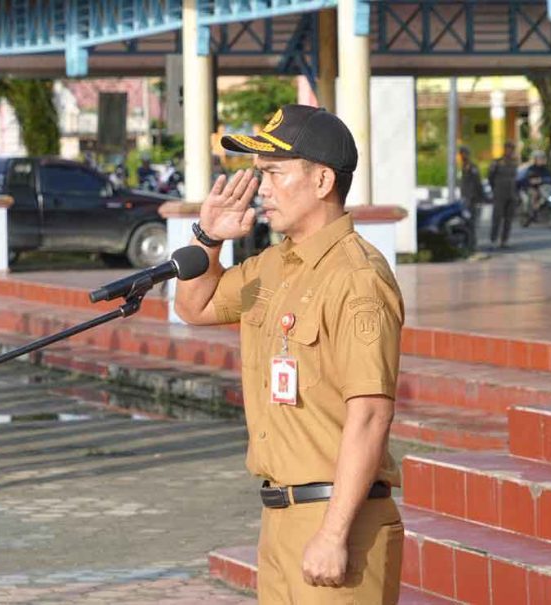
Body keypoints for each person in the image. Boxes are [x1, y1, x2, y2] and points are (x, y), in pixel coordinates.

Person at [175, 104, 404, 604]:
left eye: (275, 173)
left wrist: (333, 534)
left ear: (322, 181)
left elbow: (370, 413)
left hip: (338, 519)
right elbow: (195, 306)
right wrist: (208, 238)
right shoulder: (274, 266)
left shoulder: (357, 278)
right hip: (280, 517)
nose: (262, 189)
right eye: (260, 174)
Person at [487, 140, 519, 249]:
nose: (510, 151)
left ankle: (504, 240)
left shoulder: (514, 163)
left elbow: (515, 178)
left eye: (512, 149)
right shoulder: (497, 162)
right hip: (500, 194)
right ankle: (493, 240)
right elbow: (490, 177)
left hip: (511, 194)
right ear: (504, 149)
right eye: (508, 148)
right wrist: (495, 189)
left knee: (508, 219)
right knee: (497, 218)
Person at [458, 146, 484, 241]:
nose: (461, 156)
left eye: (463, 154)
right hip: (465, 197)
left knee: (471, 221)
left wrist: (480, 197)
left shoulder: (472, 167)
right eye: (461, 154)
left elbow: (477, 182)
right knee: (465, 221)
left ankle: (472, 242)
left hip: (471, 198)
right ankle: (468, 241)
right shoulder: (463, 166)